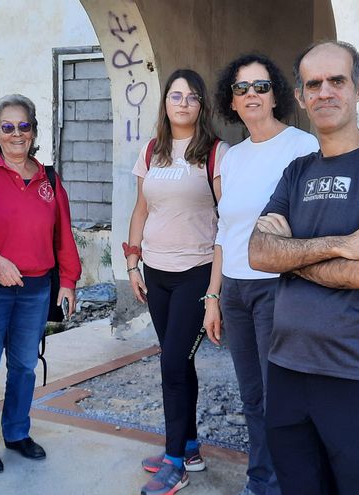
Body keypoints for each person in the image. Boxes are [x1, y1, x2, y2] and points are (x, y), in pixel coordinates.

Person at [248, 41, 359, 494]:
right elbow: (258, 253)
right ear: (301, 97)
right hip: (286, 369)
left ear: (358, 88)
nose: (325, 92)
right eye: (313, 84)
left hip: (357, 377)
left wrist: (292, 256)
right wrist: (343, 245)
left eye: (336, 81)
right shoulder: (296, 171)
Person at [208, 54, 318, 495]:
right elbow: (224, 229)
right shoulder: (232, 157)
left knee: (282, 397)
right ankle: (260, 481)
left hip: (279, 287)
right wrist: (213, 296)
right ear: (230, 101)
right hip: (235, 289)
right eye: (241, 88)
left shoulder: (301, 147)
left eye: (260, 86)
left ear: (275, 95)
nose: (251, 95)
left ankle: (286, 483)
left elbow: (310, 224)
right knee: (251, 396)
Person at [0, 94, 80, 475]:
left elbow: (63, 234)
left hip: (35, 290)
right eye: (7, 127)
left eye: (23, 126)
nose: (16, 134)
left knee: (25, 367)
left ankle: (16, 433)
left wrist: (68, 281)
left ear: (33, 130)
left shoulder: (49, 178)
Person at [124, 69, 227, 495]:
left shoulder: (217, 153)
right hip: (156, 273)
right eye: (175, 95)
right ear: (165, 103)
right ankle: (189, 446)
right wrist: (132, 264)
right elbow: (141, 212)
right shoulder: (152, 151)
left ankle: (174, 463)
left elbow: (230, 223)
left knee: (170, 364)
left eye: (191, 96)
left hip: (196, 273)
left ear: (202, 105)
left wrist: (215, 293)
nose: (182, 102)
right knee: (179, 361)